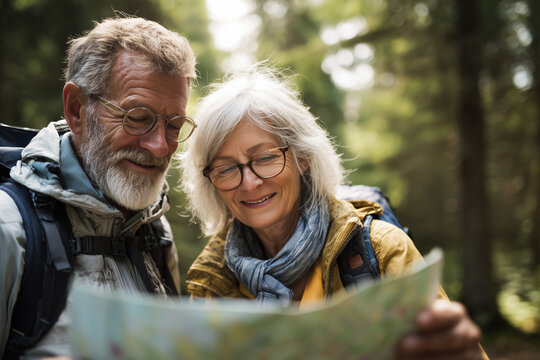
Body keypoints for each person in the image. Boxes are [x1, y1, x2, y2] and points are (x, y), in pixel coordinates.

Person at [181, 67, 488, 359]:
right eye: (226, 168)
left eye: (264, 158)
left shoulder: (381, 251)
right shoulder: (212, 283)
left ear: (302, 157)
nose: (249, 182)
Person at [0, 16, 196, 359]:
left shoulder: (156, 232)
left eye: (175, 125)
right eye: (137, 117)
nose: (160, 146)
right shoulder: (10, 228)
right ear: (77, 109)